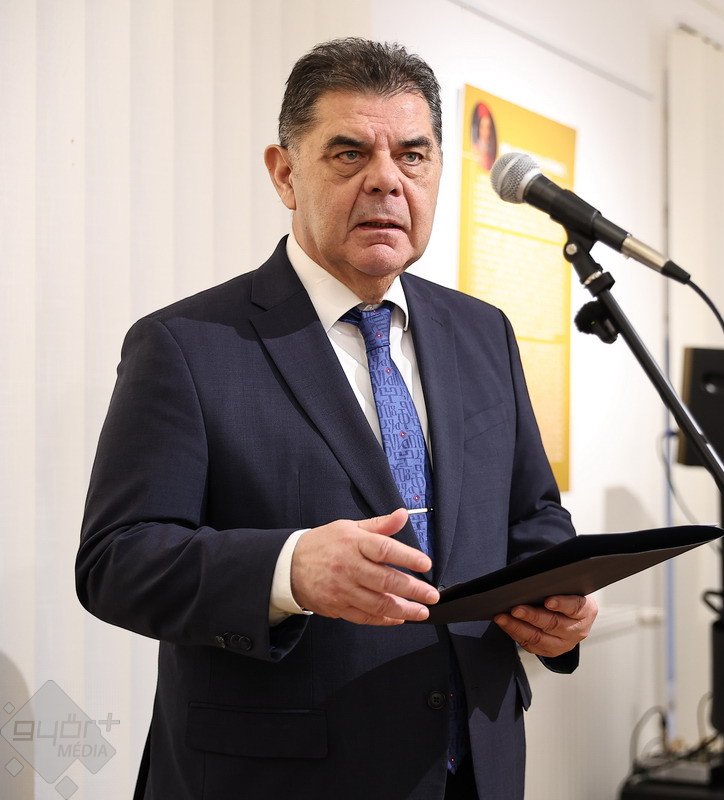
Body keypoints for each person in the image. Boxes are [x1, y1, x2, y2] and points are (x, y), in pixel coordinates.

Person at [75, 38, 597, 800]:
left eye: (413, 155)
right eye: (349, 153)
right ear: (285, 174)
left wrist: (560, 599)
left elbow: (532, 514)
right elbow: (116, 561)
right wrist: (288, 571)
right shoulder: (187, 346)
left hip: (475, 767)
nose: (386, 179)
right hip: (281, 777)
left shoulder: (483, 332)